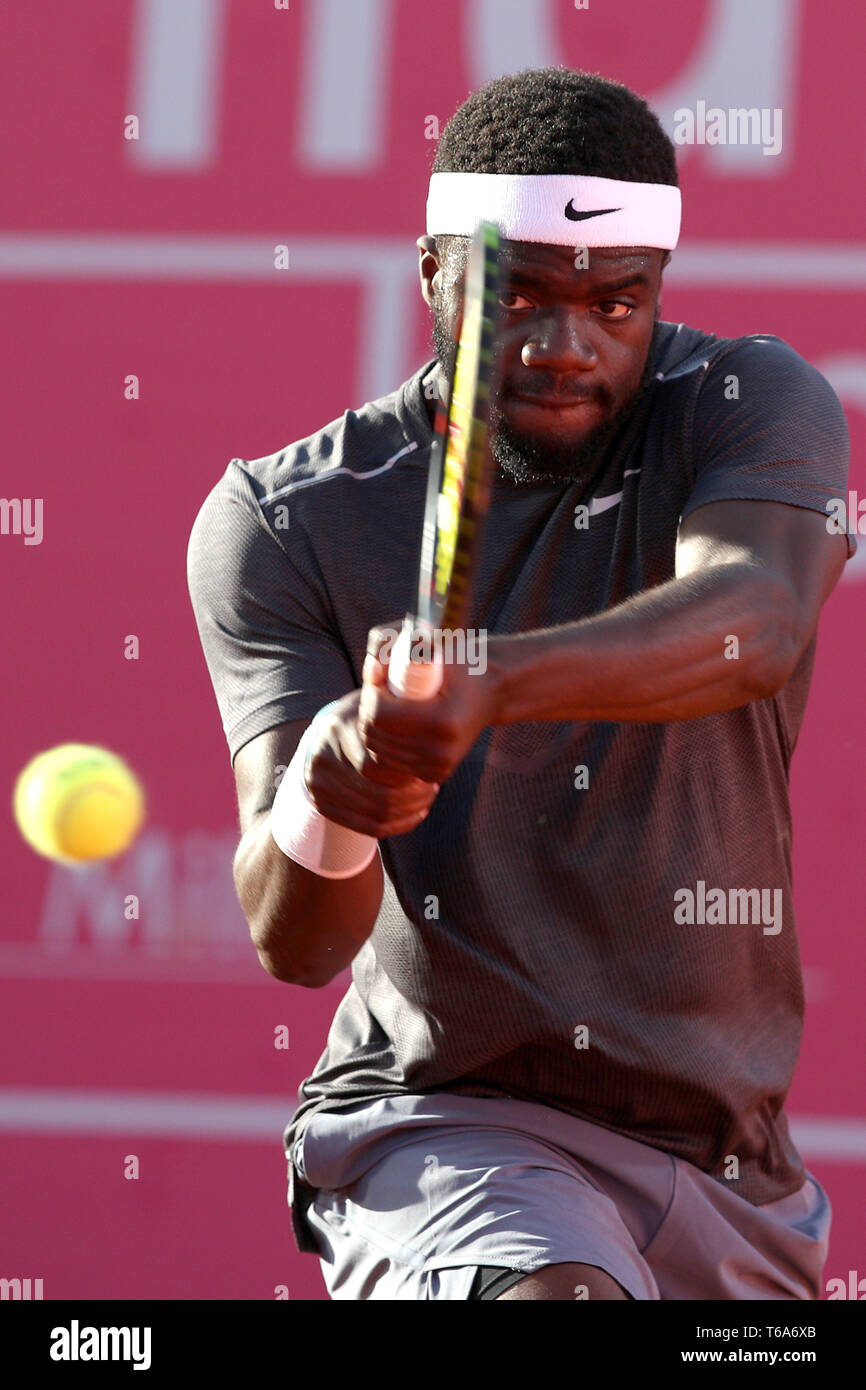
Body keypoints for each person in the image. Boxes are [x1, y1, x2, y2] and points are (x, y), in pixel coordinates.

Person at [186, 67, 854, 1300]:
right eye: (524, 299)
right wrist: (336, 792)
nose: (566, 346)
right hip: (447, 1124)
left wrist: (486, 685)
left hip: (729, 1174)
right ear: (434, 274)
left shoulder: (745, 403)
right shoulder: (282, 519)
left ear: (657, 292)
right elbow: (294, 939)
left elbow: (750, 624)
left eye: (614, 302)